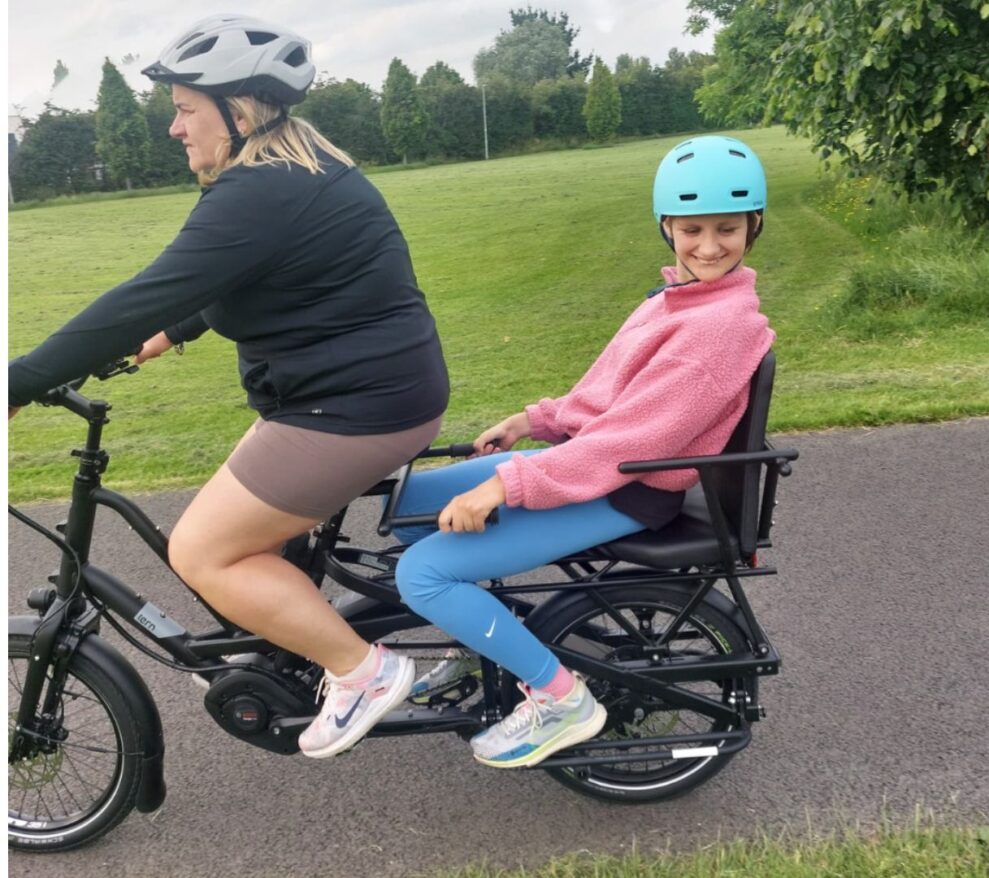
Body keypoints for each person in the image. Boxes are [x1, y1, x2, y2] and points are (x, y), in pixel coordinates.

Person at [7, 14, 450, 759]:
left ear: (238, 112)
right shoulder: (296, 172)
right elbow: (250, 275)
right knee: (233, 521)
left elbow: (141, 296)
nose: (175, 128)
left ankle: (363, 672)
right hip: (361, 393)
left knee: (203, 551)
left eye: (186, 109)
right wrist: (176, 330)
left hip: (354, 408)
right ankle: (287, 639)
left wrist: (16, 382)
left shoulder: (260, 191)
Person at [393, 135, 776, 768]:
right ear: (666, 228)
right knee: (410, 502)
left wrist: (506, 485)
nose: (709, 247)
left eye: (727, 229)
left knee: (422, 573)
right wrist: (535, 420)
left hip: (627, 489)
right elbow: (609, 396)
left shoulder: (719, 327)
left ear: (753, 227)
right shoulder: (676, 299)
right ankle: (487, 639)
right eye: (692, 230)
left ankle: (561, 700)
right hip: (601, 466)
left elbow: (631, 441)